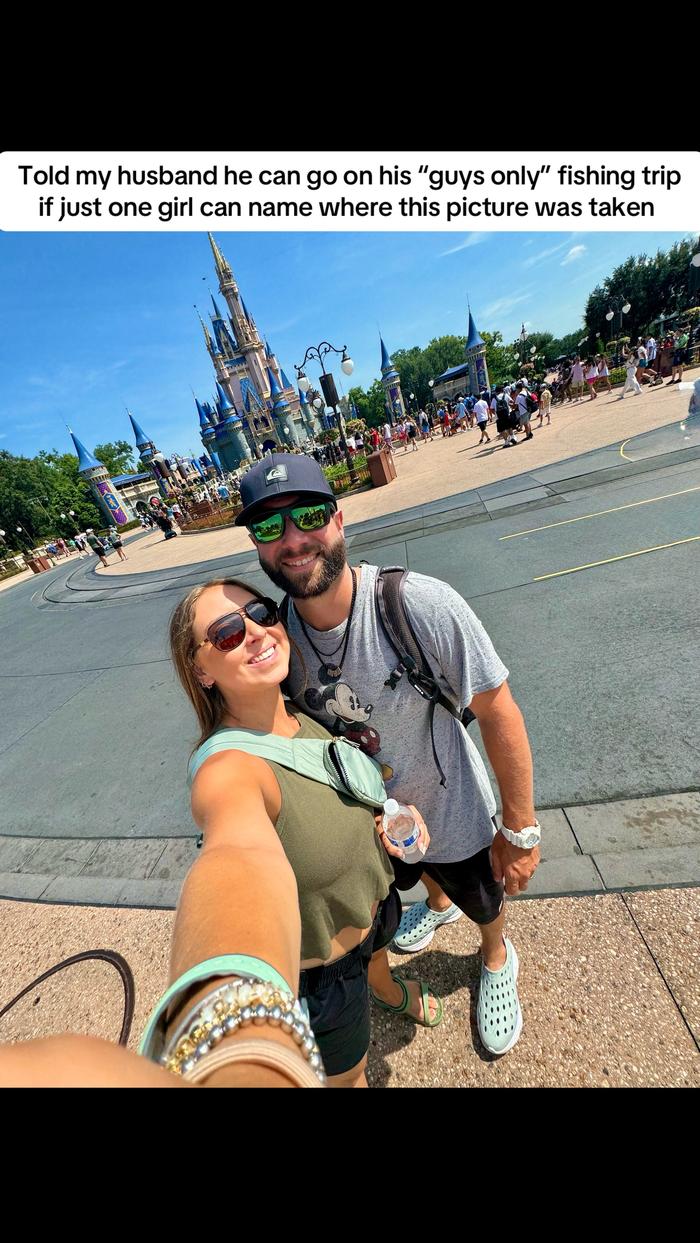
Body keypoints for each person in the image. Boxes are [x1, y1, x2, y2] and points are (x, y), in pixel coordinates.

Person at [238, 453, 540, 1058]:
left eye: (309, 516)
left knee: (483, 899)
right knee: (416, 883)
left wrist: (520, 828)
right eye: (270, 526)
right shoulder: (276, 641)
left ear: (339, 519)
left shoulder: (417, 604)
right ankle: (438, 905)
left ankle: (495, 954)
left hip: (452, 808)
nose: (293, 540)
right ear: (257, 544)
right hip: (376, 827)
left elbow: (498, 709)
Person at [169, 574, 441, 1087]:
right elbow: (231, 851)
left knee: (378, 958)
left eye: (262, 614)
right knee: (349, 1078)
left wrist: (385, 818)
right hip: (325, 976)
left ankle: (384, 989)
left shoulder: (301, 711)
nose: (255, 632)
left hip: (374, 908)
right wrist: (212, 1021)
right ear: (200, 669)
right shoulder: (229, 771)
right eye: (226, 633)